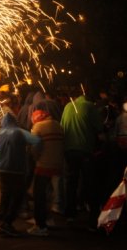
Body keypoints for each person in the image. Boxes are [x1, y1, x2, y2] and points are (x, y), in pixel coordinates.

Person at [60, 90, 104, 229]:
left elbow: (62, 126)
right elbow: (99, 128)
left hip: (68, 150)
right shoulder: (90, 106)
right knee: (90, 183)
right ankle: (93, 218)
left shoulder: (68, 106)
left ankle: (70, 214)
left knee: (71, 182)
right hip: (85, 150)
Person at [0, 112, 41, 237]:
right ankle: (7, 223)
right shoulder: (19, 132)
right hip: (17, 169)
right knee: (17, 196)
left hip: (2, 169)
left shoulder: (0, 133)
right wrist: (30, 151)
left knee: (5, 194)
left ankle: (1, 217)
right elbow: (37, 140)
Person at [28, 102, 64, 236]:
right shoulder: (58, 125)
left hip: (43, 166)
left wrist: (35, 158)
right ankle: (48, 219)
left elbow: (35, 148)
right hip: (57, 164)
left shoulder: (38, 127)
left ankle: (40, 225)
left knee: (39, 195)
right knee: (49, 193)